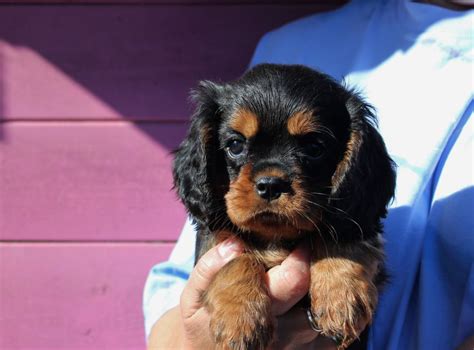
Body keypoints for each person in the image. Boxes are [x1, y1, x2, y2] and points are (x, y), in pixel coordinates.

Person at [143, 0, 473, 348]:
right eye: (237, 146)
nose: (269, 179)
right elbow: (181, 288)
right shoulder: (288, 43)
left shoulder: (349, 161)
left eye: (313, 148)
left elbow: (358, 227)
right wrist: (200, 336)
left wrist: (339, 257)